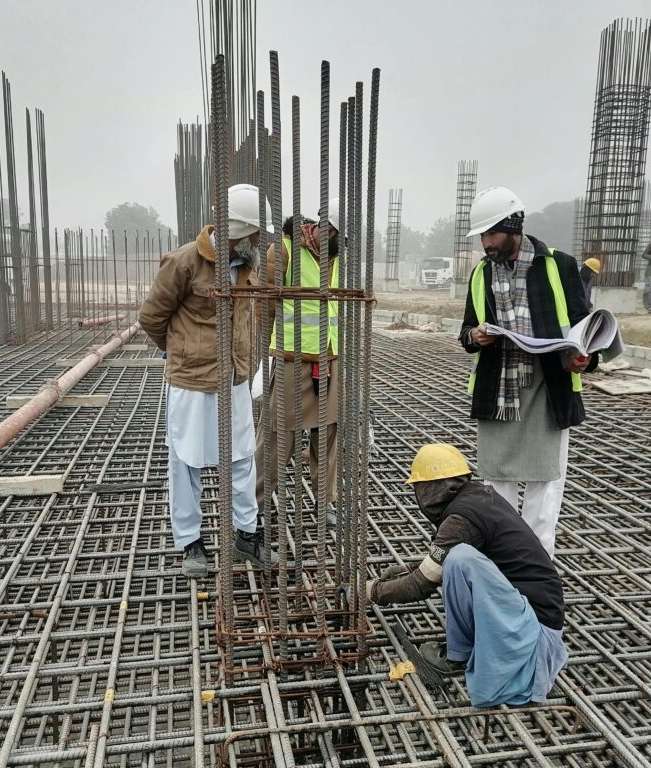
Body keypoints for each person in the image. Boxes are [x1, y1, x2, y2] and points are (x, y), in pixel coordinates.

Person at [139, 183, 274, 578]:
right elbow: (151, 318)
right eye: (254, 234)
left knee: (242, 457)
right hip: (191, 382)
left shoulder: (249, 267)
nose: (258, 241)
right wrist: (181, 350)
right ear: (240, 230)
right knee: (186, 459)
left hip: (234, 378)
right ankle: (190, 542)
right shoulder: (183, 262)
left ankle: (247, 535)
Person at [367, 444, 568, 707]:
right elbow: (435, 563)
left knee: (460, 560)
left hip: (533, 635)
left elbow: (422, 584)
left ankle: (459, 657)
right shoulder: (478, 498)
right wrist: (409, 569)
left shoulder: (461, 519)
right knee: (456, 558)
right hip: (528, 618)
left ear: (432, 488)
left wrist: (372, 591)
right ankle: (463, 651)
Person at [459, 186, 596, 559]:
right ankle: (504, 562)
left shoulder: (558, 267)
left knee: (543, 484)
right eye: (482, 235)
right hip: (498, 389)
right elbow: (466, 331)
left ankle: (537, 568)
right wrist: (476, 335)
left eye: (492, 234)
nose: (486, 243)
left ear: (514, 226)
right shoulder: (481, 275)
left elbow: (585, 328)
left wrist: (583, 356)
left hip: (547, 389)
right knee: (497, 482)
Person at [255, 202, 342, 525]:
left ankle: (325, 501)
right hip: (293, 358)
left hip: (329, 357)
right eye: (328, 230)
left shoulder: (336, 256)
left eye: (337, 234)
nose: (332, 238)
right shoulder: (284, 251)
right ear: (312, 225)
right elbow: (264, 307)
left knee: (328, 434)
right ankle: (257, 502)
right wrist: (270, 351)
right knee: (280, 436)